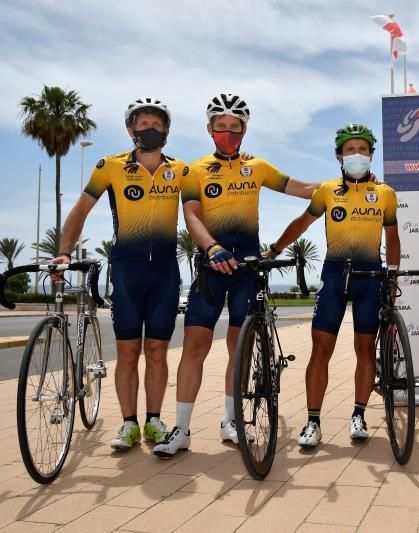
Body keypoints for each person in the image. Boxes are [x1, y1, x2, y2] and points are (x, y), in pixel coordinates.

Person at [153, 94, 318, 458]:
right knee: (194, 345)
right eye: (221, 126)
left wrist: (343, 188)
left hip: (247, 269)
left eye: (235, 127)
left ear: (244, 130)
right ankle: (181, 429)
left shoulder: (256, 166)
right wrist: (212, 247)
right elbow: (191, 215)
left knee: (238, 348)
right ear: (209, 129)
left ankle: (231, 421)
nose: (227, 133)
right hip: (212, 267)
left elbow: (302, 189)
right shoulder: (194, 170)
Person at [53, 98, 187, 451]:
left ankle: (154, 420)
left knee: (158, 351)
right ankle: (128, 424)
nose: (150, 130)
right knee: (128, 352)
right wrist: (64, 252)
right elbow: (81, 210)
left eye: (157, 124)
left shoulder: (182, 171)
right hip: (127, 270)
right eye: (143, 124)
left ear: (167, 131)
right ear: (131, 130)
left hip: (165, 272)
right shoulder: (110, 167)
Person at [265, 123, 400, 449]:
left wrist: (393, 275)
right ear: (339, 156)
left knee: (365, 350)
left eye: (363, 150)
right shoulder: (326, 190)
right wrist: (273, 250)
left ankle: (359, 415)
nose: (357, 155)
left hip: (370, 277)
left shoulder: (385, 193)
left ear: (371, 154)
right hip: (334, 275)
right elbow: (301, 223)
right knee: (320, 350)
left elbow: (393, 238)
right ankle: (313, 421)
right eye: (350, 150)